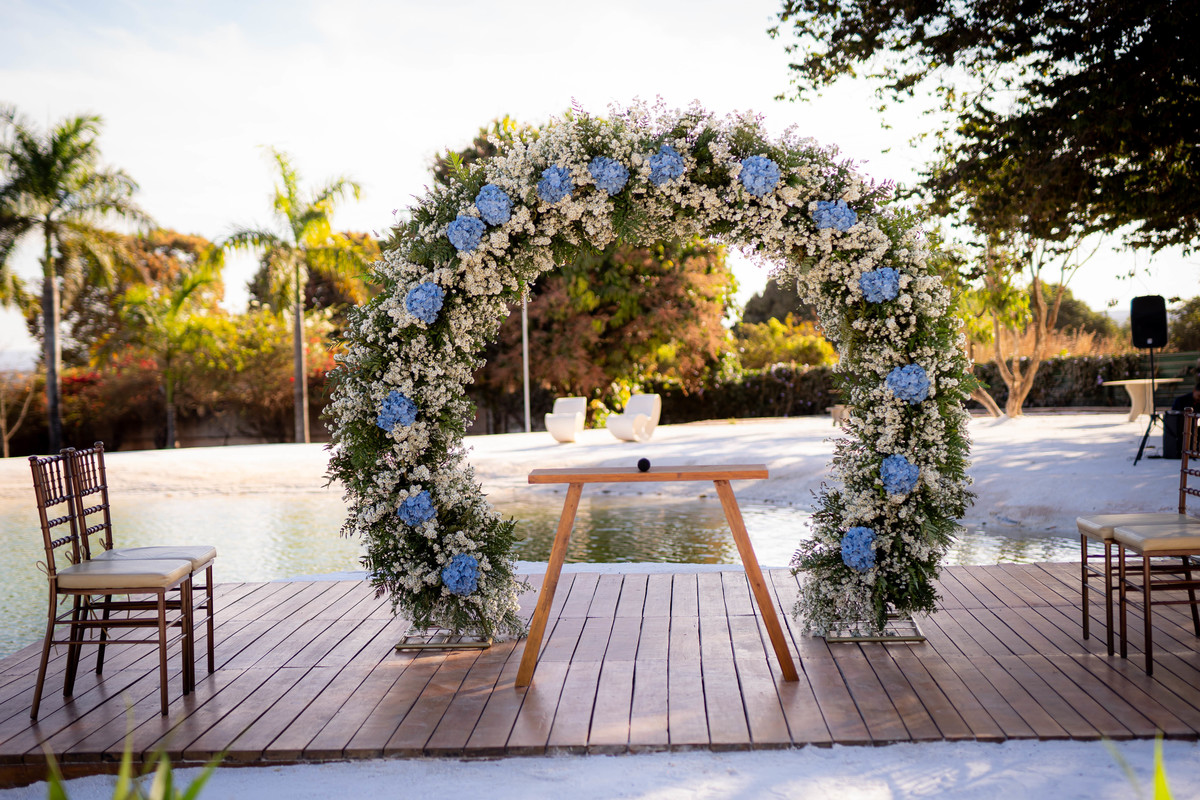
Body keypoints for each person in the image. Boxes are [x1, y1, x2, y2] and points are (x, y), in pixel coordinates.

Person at [1164, 379, 1200, 458]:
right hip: (1181, 427)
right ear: (1194, 391)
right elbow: (1175, 415)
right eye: (1198, 396)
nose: (1199, 398)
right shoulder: (1181, 400)